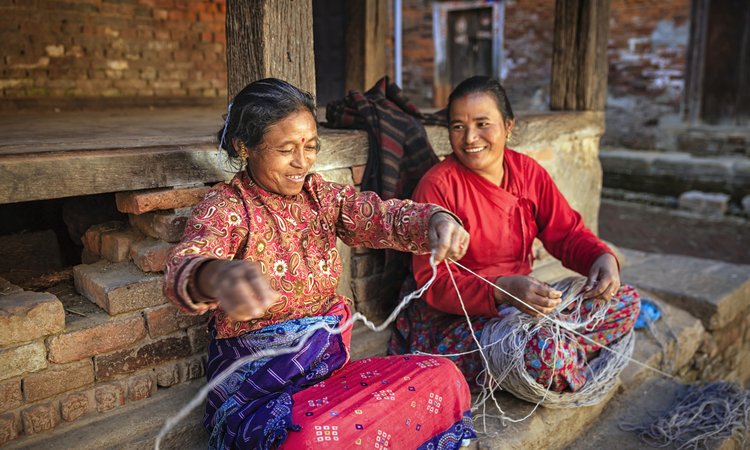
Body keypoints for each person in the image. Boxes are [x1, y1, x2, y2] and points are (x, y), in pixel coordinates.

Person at [163, 78, 477, 449]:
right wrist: (216, 276)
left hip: (329, 376)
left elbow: (380, 217)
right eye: (285, 150)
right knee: (310, 438)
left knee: (443, 376)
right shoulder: (228, 208)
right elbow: (187, 262)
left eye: (310, 147)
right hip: (262, 398)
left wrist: (435, 221)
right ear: (243, 147)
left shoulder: (321, 197)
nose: (302, 162)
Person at [389, 76, 641, 393]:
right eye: (457, 126)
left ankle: (559, 354)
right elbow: (434, 284)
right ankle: (560, 356)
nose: (469, 138)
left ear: (508, 126)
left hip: (522, 308)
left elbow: (566, 233)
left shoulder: (528, 172)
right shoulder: (438, 185)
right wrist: (502, 289)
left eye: (483, 123)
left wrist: (601, 257)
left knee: (625, 300)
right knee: (543, 353)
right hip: (455, 322)